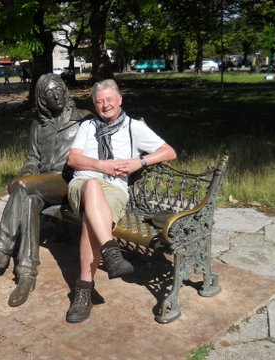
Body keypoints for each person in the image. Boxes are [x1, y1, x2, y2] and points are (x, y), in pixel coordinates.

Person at [0, 73, 91, 307]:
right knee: (30, 199)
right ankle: (26, 274)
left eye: (59, 90)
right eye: (49, 94)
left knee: (21, 187)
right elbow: (32, 158)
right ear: (42, 100)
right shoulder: (38, 126)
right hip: (41, 184)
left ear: (65, 90)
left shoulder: (84, 119)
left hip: (68, 180)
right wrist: (28, 172)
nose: (56, 96)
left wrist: (23, 183)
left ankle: (2, 249)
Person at [65, 79, 177, 323]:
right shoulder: (88, 126)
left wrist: (141, 161)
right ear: (95, 105)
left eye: (109, 100)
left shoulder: (133, 127)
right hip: (81, 184)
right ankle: (112, 252)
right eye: (100, 101)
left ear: (119, 100)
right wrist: (100, 165)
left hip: (114, 190)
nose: (105, 105)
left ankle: (83, 290)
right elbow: (74, 160)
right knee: (92, 184)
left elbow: (169, 151)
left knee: (89, 221)